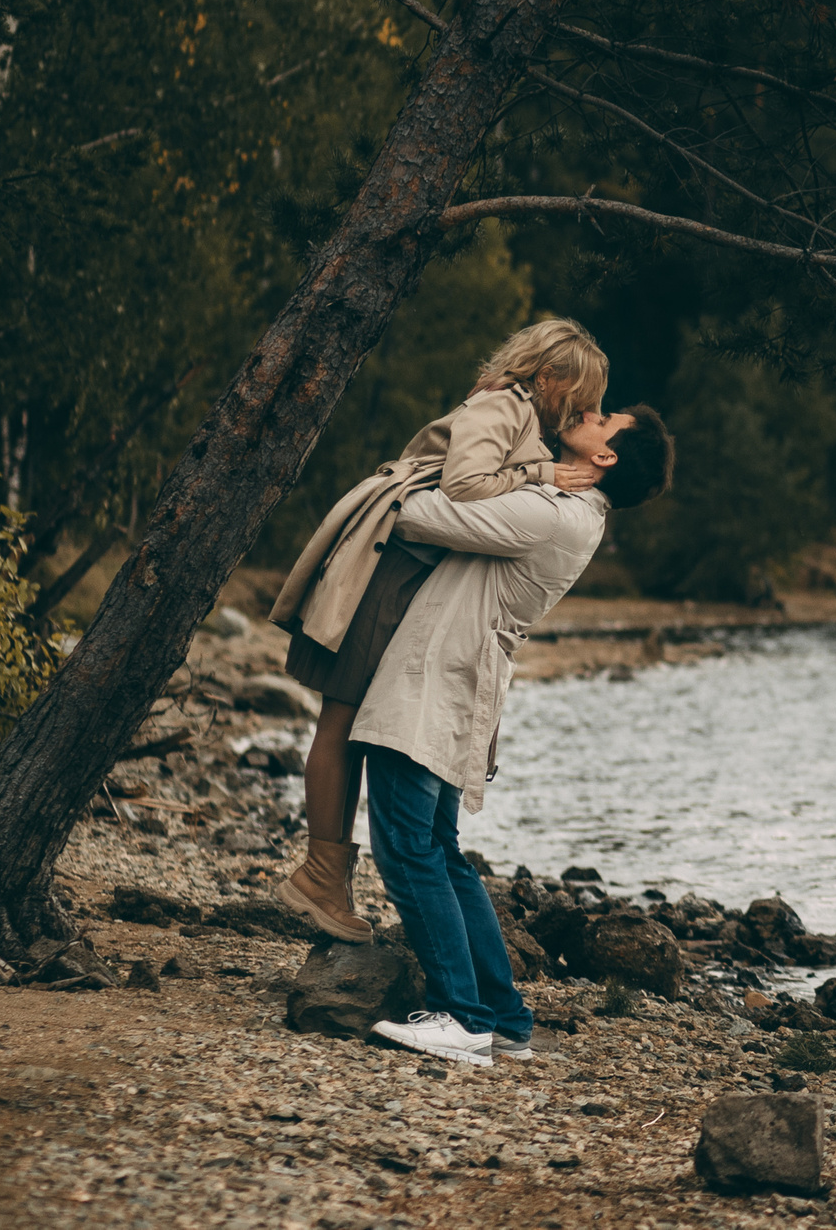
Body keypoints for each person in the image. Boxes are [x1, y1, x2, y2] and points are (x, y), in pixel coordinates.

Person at [270, 320, 610, 943]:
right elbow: (465, 486)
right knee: (340, 724)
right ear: (548, 377)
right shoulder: (501, 404)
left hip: (405, 574)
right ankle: (319, 875)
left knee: (347, 728)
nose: (586, 410)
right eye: (583, 395)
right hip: (387, 569)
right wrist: (543, 477)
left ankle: (327, 878)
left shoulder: (517, 413)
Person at [360, 403, 676, 1068]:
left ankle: (463, 1019)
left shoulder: (551, 513)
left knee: (409, 851)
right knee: (439, 851)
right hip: (459, 681)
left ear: (607, 456)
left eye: (606, 417)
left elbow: (419, 513)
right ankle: (505, 1020)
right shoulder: (566, 509)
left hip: (436, 682)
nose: (592, 412)